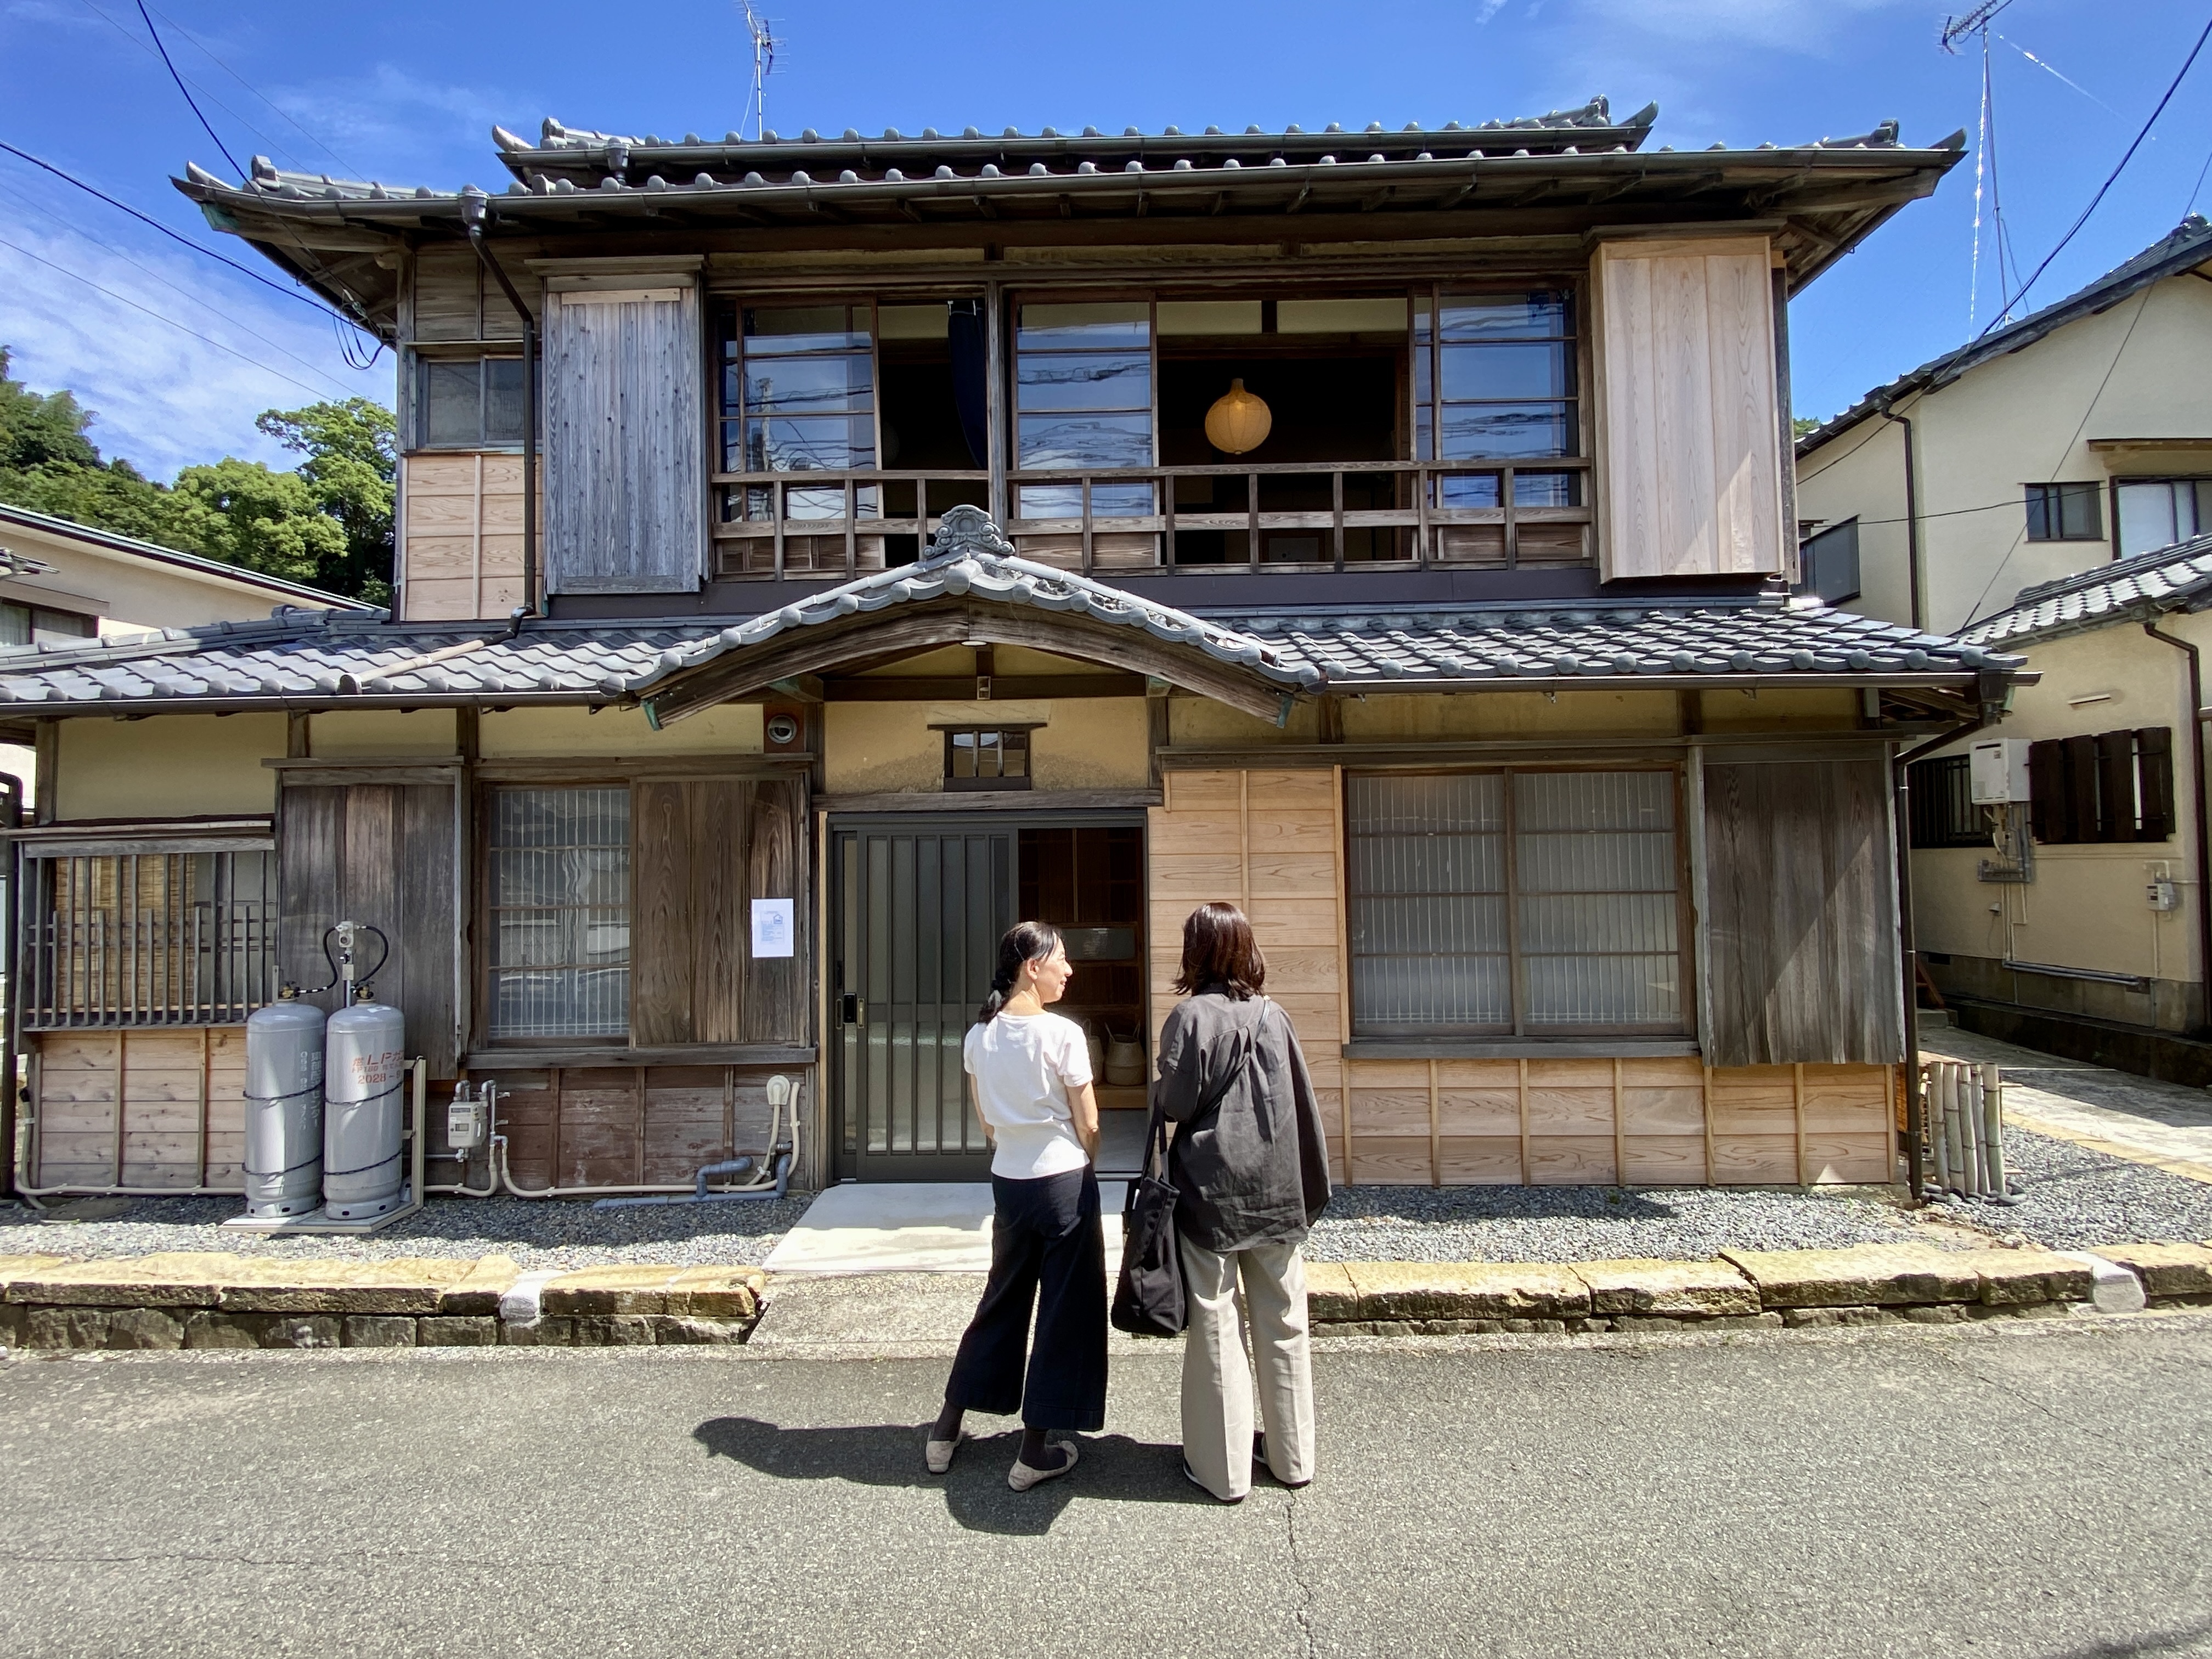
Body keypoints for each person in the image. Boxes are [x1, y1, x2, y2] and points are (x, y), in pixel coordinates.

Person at [1155, 901, 1332, 1503]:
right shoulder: (1274, 1015)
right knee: (1284, 1324)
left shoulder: (1188, 1018)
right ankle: (1294, 1458)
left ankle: (1224, 1471)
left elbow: (1176, 1106)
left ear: (1195, 951)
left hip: (1213, 1191)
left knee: (1216, 1323)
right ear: (1247, 949)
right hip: (1278, 1191)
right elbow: (1300, 1101)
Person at [927, 921, 1106, 1492]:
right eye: (1061, 960)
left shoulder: (979, 1036)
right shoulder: (1063, 1035)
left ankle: (946, 1428)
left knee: (1001, 1299)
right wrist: (1083, 1160)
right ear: (1032, 966)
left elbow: (986, 1122)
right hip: (1062, 1183)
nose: (1069, 969)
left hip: (1009, 1182)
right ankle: (1034, 1451)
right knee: (1063, 1312)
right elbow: (1092, 1124)